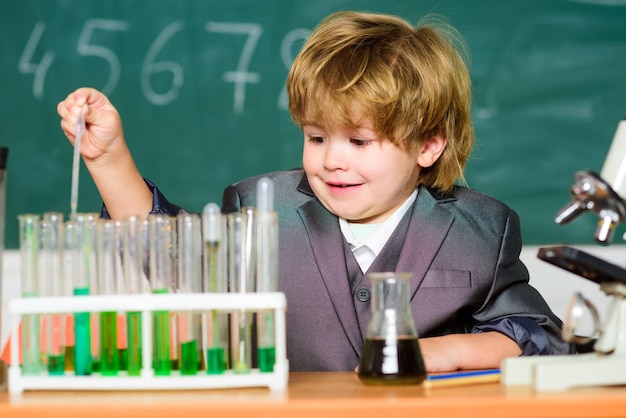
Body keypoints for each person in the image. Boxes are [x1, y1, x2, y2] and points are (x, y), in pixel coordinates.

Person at [57, 11, 575, 372]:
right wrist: (109, 158)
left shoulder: (481, 227)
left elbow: (540, 338)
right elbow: (166, 250)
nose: (332, 159)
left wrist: (446, 353)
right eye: (316, 136)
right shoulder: (263, 207)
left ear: (428, 145)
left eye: (359, 140)